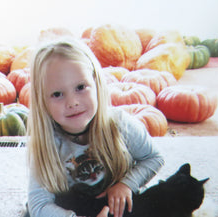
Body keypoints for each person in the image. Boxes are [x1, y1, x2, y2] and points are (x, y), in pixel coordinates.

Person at [25, 37, 164, 217]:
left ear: (96, 84)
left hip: (115, 203)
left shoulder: (120, 124)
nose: (72, 102)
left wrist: (127, 184)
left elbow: (154, 158)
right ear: (41, 101)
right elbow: (39, 205)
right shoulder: (45, 144)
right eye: (57, 94)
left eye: (81, 87)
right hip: (73, 208)